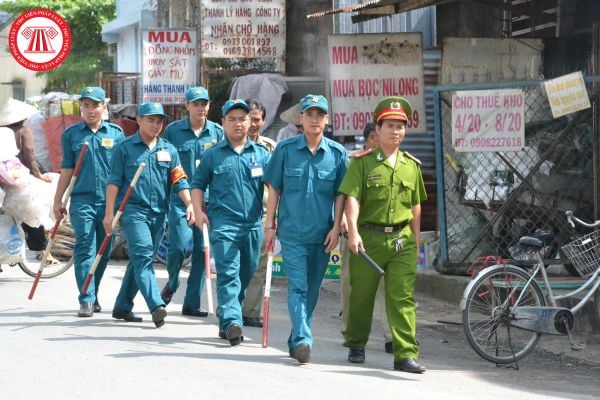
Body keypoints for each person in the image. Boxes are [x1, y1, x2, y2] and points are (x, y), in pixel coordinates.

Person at [339, 96, 427, 373]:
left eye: (401, 126)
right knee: (362, 295)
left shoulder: (411, 165)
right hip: (369, 238)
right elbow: (351, 198)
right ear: (377, 129)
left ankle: (405, 354)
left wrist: (416, 240)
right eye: (390, 125)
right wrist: (353, 233)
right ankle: (356, 343)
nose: (396, 131)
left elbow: (416, 204)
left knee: (402, 297)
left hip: (402, 240)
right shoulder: (362, 163)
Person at [263, 94, 347, 364]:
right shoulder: (285, 150)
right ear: (300, 119)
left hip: (323, 234)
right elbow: (274, 188)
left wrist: (337, 226)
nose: (314, 119)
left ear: (327, 119)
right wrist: (270, 225)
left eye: (319, 114)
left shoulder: (337, 154)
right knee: (297, 287)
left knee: (312, 289)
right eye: (308, 114)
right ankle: (303, 339)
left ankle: (296, 337)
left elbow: (341, 195)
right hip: (292, 233)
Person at [104, 102, 194, 328]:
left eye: (159, 120)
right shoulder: (124, 148)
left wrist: (190, 204)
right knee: (144, 257)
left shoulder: (169, 150)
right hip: (134, 212)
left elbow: (179, 179)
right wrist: (108, 213)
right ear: (139, 120)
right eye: (151, 120)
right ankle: (156, 305)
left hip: (159, 214)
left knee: (138, 261)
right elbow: (113, 182)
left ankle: (122, 306)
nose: (156, 125)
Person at [191, 99, 270, 346]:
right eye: (232, 119)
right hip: (224, 225)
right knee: (228, 274)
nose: (238, 124)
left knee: (246, 274)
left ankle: (226, 317)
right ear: (223, 122)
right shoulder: (213, 155)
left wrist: (274, 220)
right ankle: (234, 322)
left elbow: (275, 188)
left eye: (243, 119)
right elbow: (197, 185)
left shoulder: (261, 155)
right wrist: (197, 210)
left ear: (251, 122)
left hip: (254, 226)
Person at [52, 87, 125, 317]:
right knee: (85, 248)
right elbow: (66, 169)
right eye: (86, 105)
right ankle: (86, 298)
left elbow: (123, 171)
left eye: (95, 105)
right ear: (81, 107)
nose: (91, 110)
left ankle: (93, 292)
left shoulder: (116, 134)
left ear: (104, 107)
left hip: (109, 203)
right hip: (82, 200)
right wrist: (57, 200)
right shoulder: (71, 135)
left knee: (102, 251)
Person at [161, 86, 224, 317]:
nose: (201, 108)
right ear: (187, 106)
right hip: (179, 199)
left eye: (204, 103)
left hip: (206, 201)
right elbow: (166, 164)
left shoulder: (217, 132)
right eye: (196, 103)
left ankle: (191, 303)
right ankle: (173, 282)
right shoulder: (173, 131)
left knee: (201, 251)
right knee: (177, 246)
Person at [339, 121, 393, 353]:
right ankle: (350, 330)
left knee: (386, 285)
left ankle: (391, 334)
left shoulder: (395, 163)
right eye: (376, 136)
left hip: (383, 236)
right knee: (351, 283)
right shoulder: (354, 161)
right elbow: (342, 193)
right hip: (355, 233)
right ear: (372, 137)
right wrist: (342, 222)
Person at [0, 98, 55, 263]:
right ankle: (42, 250)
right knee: (33, 211)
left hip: (2, 181)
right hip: (17, 180)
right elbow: (30, 155)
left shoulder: (2, 131)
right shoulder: (24, 131)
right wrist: (39, 175)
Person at [241, 99, 277, 328]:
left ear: (263, 121)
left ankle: (250, 311)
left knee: (259, 265)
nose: (253, 124)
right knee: (238, 265)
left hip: (263, 215)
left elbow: (277, 184)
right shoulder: (232, 145)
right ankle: (232, 305)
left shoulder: (271, 148)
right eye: (249, 119)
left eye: (257, 119)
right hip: (235, 215)